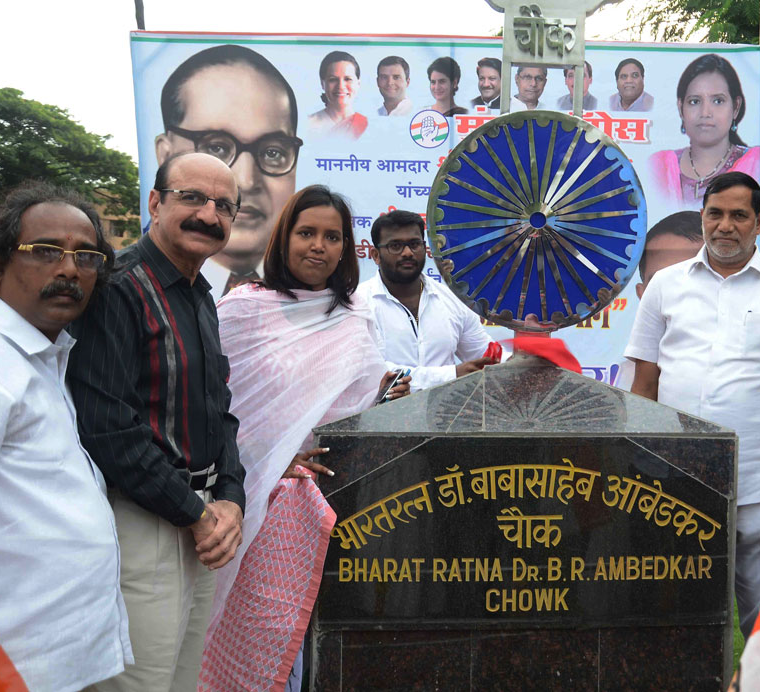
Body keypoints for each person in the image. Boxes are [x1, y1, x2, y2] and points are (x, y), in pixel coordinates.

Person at [0, 182, 132, 690]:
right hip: (10, 669)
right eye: (46, 251)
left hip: (60, 658)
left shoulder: (43, 359)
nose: (69, 269)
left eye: (86, 256)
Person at [200, 185, 408, 690]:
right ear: (284, 238)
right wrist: (276, 456)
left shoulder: (355, 314)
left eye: (332, 237)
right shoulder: (242, 310)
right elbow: (214, 407)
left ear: (346, 248)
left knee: (321, 651)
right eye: (306, 233)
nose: (319, 246)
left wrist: (383, 399)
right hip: (254, 497)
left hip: (341, 502)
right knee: (260, 633)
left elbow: (355, 405)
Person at [68, 152, 247, 692]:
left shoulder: (201, 294)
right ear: (155, 202)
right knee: (139, 684)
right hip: (143, 522)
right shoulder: (116, 287)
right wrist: (196, 513)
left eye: (223, 206)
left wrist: (231, 498)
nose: (208, 215)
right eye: (192, 198)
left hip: (203, 521)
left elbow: (219, 409)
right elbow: (107, 427)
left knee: (182, 681)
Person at [625, 173, 760, 637]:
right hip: (675, 481)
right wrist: (639, 468)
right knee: (679, 618)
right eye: (715, 214)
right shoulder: (665, 286)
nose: (725, 225)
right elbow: (644, 384)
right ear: (702, 217)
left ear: (759, 222)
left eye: (738, 215)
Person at [154, 43, 303, 296]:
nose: (245, 181)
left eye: (272, 152)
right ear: (165, 155)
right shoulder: (121, 289)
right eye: (217, 148)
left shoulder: (312, 294)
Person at [360, 209, 499, 395]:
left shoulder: (452, 299)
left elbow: (485, 356)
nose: (407, 253)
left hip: (446, 411)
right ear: (376, 255)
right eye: (395, 246)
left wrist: (520, 359)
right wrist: (452, 375)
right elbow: (373, 373)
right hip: (380, 413)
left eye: (414, 244)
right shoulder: (358, 304)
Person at [647, 54, 760, 209]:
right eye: (694, 101)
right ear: (681, 108)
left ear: (736, 107)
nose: (705, 113)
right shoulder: (659, 166)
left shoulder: (755, 163)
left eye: (718, 101)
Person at [612, 210, 704, 390]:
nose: (678, 296)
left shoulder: (753, 368)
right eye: (660, 284)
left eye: (695, 278)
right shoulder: (624, 382)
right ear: (642, 294)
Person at [308, 50, 368, 139]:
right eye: (333, 79)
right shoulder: (307, 125)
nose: (341, 86)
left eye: (348, 79)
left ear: (358, 84)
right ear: (322, 83)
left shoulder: (369, 127)